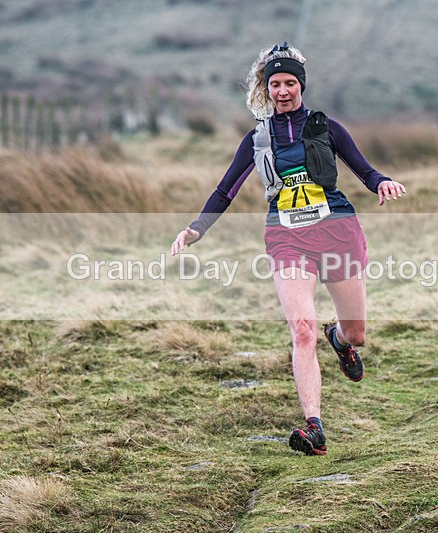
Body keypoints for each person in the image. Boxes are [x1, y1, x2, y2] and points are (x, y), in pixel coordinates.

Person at [171, 42, 406, 456]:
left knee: (358, 332)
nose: (282, 91)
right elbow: (225, 190)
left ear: (301, 86)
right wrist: (196, 228)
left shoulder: (327, 127)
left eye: (290, 83)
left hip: (336, 229)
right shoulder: (258, 138)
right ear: (266, 87)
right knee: (301, 328)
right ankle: (314, 427)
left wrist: (383, 182)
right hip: (287, 237)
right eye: (275, 83)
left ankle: (339, 338)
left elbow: (365, 170)